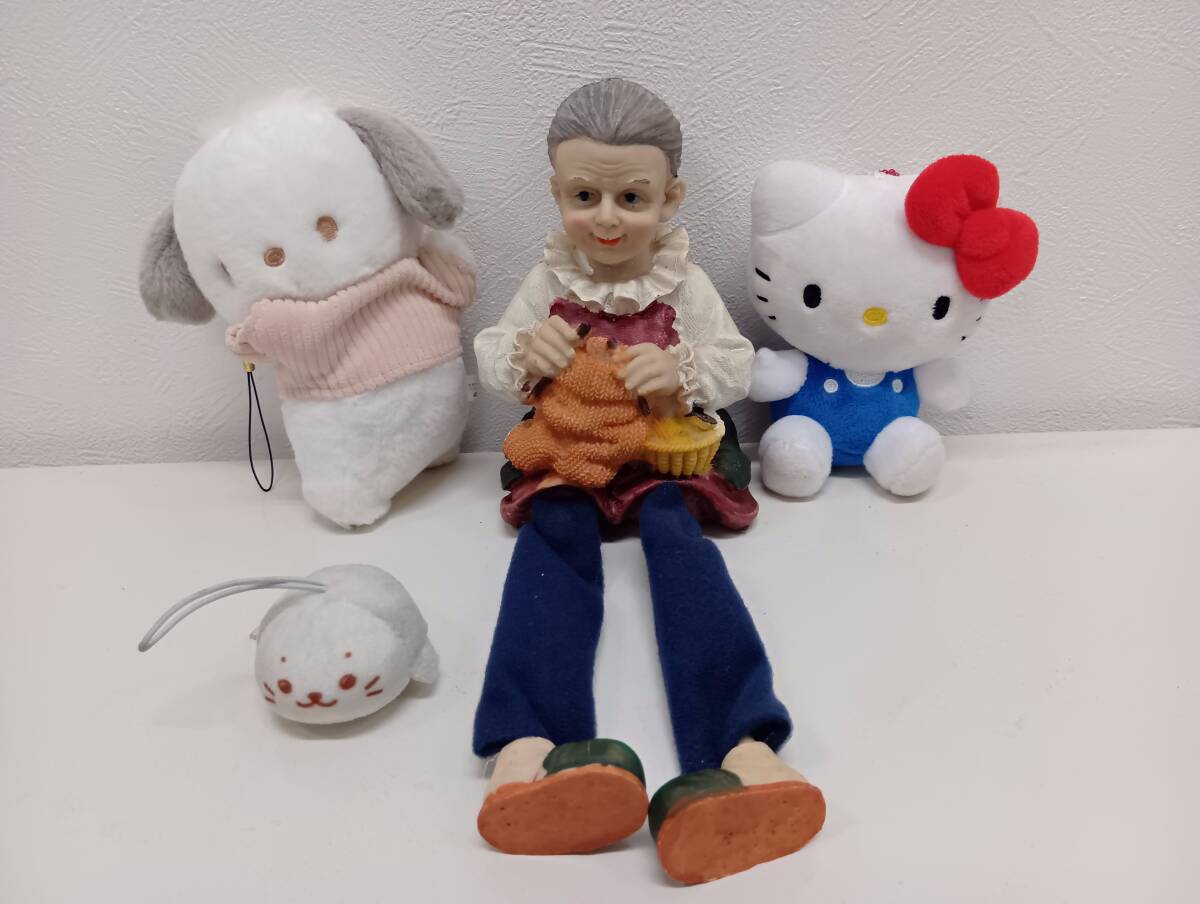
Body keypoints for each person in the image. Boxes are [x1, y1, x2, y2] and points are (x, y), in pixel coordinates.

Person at [471, 78, 825, 885]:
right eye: (584, 195)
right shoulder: (550, 282)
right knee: (550, 552)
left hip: (662, 460)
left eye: (631, 197)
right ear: (557, 192)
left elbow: (735, 362)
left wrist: (682, 369)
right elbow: (492, 350)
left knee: (684, 554)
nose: (606, 218)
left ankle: (742, 752)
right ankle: (529, 752)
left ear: (670, 198)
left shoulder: (681, 283)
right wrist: (524, 352)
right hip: (568, 458)